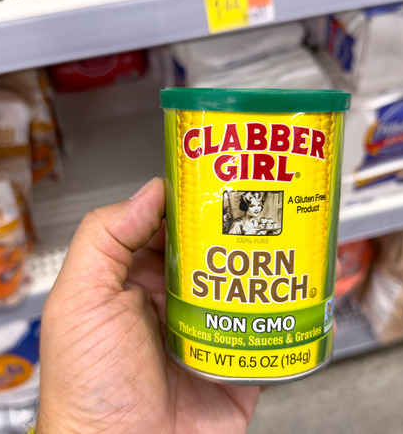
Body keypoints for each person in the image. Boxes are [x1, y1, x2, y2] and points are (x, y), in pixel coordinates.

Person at [37, 178, 261, 433]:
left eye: (258, 203)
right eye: (252, 202)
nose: (257, 206)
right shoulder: (238, 223)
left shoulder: (256, 224)